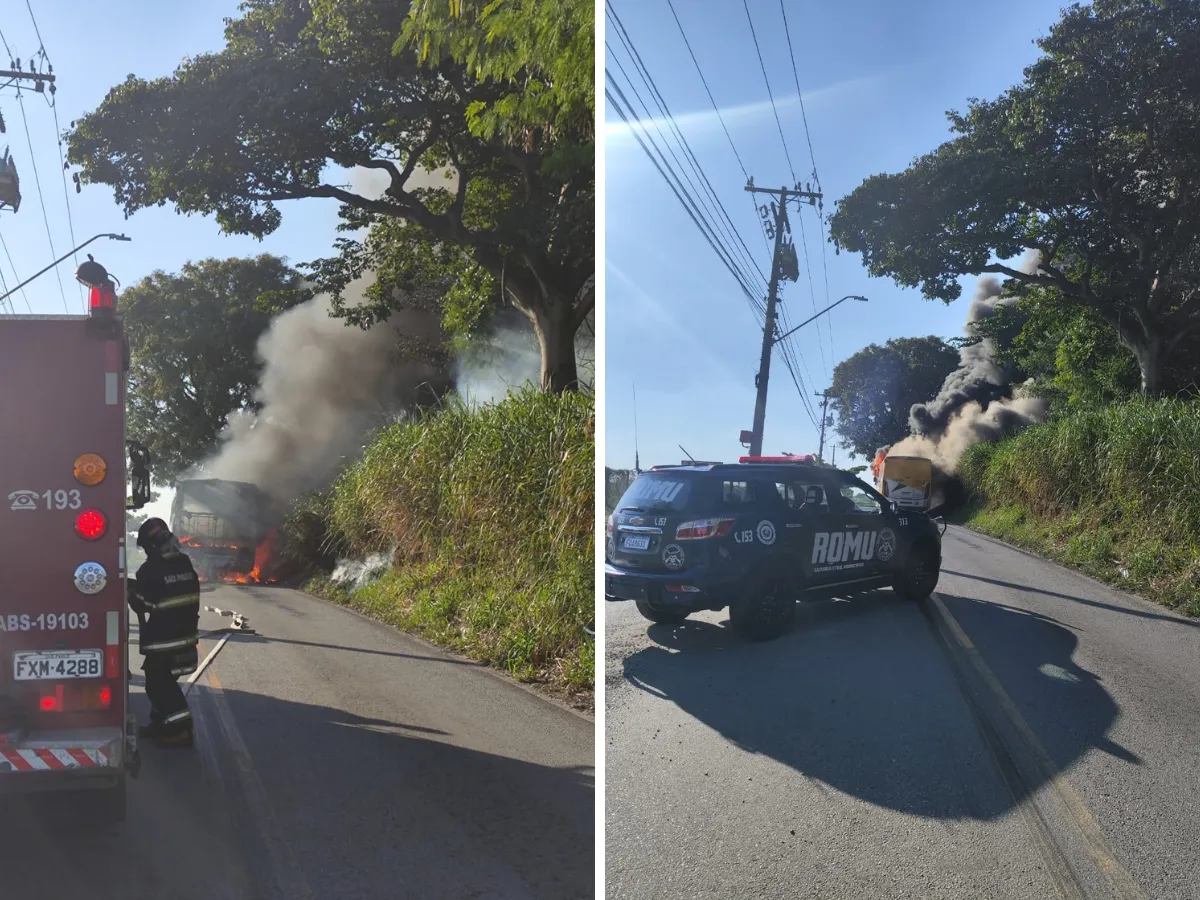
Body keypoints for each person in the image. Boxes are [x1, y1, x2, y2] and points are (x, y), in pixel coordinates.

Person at [131, 517, 201, 749]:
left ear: (150, 546)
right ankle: (160, 723)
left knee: (160, 685)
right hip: (186, 635)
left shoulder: (149, 570)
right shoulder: (184, 562)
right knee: (163, 681)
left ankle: (180, 730)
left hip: (164, 640)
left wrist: (131, 591)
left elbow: (145, 604)